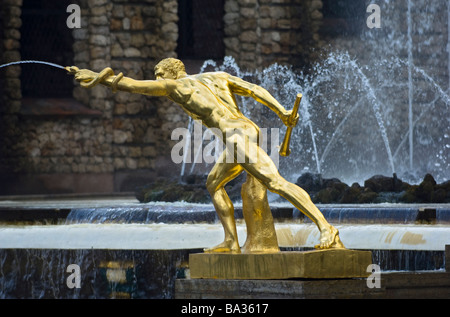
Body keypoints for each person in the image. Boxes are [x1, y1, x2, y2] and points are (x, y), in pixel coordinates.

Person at [67, 58, 344, 253]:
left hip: (236, 138)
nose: (157, 79)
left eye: (159, 73)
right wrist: (282, 112)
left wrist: (97, 77)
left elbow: (132, 86)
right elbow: (256, 90)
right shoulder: (218, 77)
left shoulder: (174, 87)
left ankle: (325, 228)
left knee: (275, 183)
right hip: (247, 131)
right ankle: (231, 242)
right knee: (214, 183)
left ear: (171, 72)